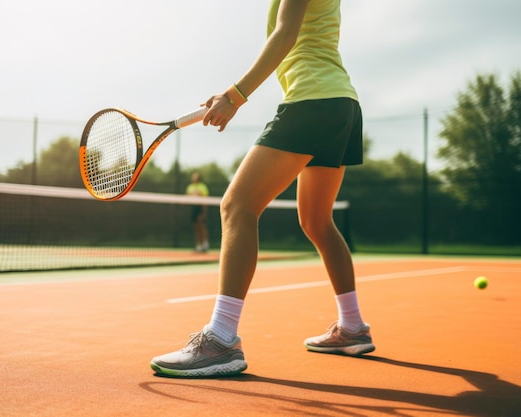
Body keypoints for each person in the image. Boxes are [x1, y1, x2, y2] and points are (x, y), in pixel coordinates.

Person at [150, 0, 373, 377]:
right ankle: (352, 327)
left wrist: (234, 96)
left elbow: (284, 35)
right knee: (317, 222)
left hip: (313, 100)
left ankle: (221, 340)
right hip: (342, 106)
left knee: (237, 207)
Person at [185, 172, 210, 253]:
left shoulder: (203, 187)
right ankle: (199, 245)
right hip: (193, 208)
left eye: (195, 177)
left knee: (201, 226)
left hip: (200, 208)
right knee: (196, 227)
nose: (194, 178)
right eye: (193, 177)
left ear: (199, 178)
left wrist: (204, 212)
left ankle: (205, 244)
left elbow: (205, 200)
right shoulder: (190, 187)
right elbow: (187, 198)